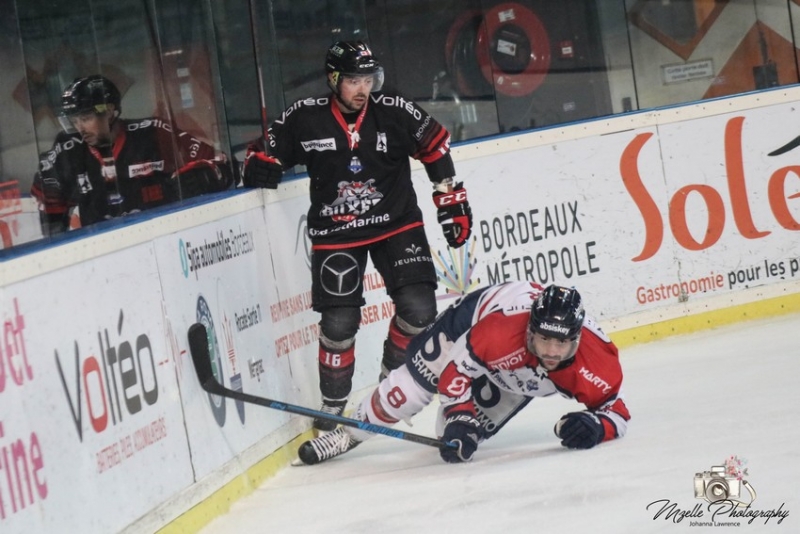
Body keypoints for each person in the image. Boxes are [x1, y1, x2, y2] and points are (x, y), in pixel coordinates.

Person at [241, 40, 473, 432]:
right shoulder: (306, 117)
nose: (362, 88)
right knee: (339, 324)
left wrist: (450, 200)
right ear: (334, 79)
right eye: (352, 80)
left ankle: (390, 387)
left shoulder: (394, 110)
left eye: (368, 79)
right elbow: (262, 151)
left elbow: (435, 146)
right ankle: (332, 409)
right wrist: (257, 165)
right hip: (336, 233)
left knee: (419, 310)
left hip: (397, 223)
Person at [296, 282, 631, 465]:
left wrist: (596, 427)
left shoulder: (596, 363)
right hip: (469, 327)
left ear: (577, 338)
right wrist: (461, 413)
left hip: (514, 373)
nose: (552, 352)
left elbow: (617, 413)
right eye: (544, 339)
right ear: (530, 330)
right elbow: (455, 372)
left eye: (562, 343)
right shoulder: (500, 333)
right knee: (405, 393)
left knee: (454, 443)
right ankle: (348, 434)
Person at [31, 74, 234, 233]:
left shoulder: (154, 133)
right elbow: (48, 199)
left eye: (85, 118)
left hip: (165, 238)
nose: (80, 128)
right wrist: (52, 201)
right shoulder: (68, 150)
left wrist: (206, 176)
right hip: (101, 254)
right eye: (74, 121)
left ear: (110, 111)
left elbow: (226, 166)